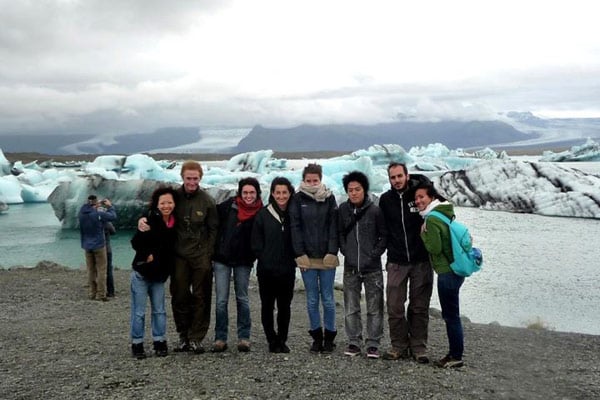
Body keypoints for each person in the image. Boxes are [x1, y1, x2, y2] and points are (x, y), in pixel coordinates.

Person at [138, 160, 219, 354]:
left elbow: (213, 229)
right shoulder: (174, 197)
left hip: (200, 256)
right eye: (188, 178)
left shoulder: (207, 201)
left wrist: (208, 254)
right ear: (182, 177)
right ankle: (183, 336)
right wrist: (141, 218)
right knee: (180, 295)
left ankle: (196, 338)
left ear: (201, 178)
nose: (192, 182)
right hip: (179, 256)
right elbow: (157, 209)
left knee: (201, 296)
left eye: (195, 178)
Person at [379, 162, 433, 363]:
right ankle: (399, 346)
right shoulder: (385, 200)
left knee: (419, 306)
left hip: (421, 260)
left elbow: (440, 212)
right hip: (396, 261)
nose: (397, 180)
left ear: (406, 175)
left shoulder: (419, 195)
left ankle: (419, 347)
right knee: (394, 305)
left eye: (399, 176)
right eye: (393, 177)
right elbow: (382, 229)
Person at [289, 163, 339, 353]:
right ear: (303, 180)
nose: (312, 183)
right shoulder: (297, 199)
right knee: (311, 299)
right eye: (308, 180)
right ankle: (317, 337)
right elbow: (295, 227)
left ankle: (330, 337)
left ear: (320, 179)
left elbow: (334, 226)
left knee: (327, 297)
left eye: (315, 180)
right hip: (307, 258)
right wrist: (299, 253)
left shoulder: (329, 197)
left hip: (327, 257)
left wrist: (332, 251)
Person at [414, 182, 465, 368]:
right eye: (416, 198)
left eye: (422, 197)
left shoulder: (432, 219)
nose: (418, 201)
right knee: (453, 314)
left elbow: (434, 248)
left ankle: (456, 356)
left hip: (447, 272)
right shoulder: (444, 212)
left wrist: (423, 234)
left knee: (451, 316)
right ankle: (454, 353)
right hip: (456, 269)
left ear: (432, 197)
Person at [338, 171, 387, 359]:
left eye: (357, 189)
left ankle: (373, 343)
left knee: (374, 307)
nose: (354, 193)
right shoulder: (343, 209)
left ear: (364, 190)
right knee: (351, 307)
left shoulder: (375, 210)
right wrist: (346, 251)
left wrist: (374, 255)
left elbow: (383, 236)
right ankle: (354, 342)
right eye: (350, 190)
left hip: (372, 268)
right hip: (351, 266)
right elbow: (340, 233)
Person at [212, 177, 263, 353]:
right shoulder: (227, 207)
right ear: (240, 192)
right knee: (221, 300)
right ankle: (220, 337)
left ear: (257, 194)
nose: (248, 196)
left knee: (242, 298)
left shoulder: (260, 212)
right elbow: (212, 223)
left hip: (243, 261)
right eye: (245, 192)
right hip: (222, 259)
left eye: (252, 192)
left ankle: (244, 337)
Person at [130, 187, 178, 359]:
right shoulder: (149, 220)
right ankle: (137, 344)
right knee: (139, 312)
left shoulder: (175, 222)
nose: (166, 206)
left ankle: (159, 341)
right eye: (163, 203)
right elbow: (135, 242)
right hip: (142, 273)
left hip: (159, 275)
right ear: (157, 204)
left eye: (169, 202)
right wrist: (146, 255)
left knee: (159, 310)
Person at [251, 177, 297, 353]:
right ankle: (271, 339)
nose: (281, 195)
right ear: (272, 193)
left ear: (290, 193)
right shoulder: (263, 214)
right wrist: (265, 258)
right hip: (267, 270)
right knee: (268, 305)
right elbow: (255, 243)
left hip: (287, 269)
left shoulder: (293, 214)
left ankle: (282, 339)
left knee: (285, 306)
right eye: (277, 192)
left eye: (284, 192)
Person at [79, 195, 117, 301]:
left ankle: (92, 293)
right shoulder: (98, 214)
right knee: (101, 270)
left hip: (86, 246)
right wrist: (110, 206)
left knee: (91, 270)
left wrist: (94, 205)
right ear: (95, 203)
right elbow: (113, 216)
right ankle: (101, 294)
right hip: (99, 245)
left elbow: (88, 209)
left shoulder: (81, 213)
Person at [104, 221, 116, 297]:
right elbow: (113, 232)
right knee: (108, 271)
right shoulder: (107, 223)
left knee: (97, 270)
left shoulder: (92, 221)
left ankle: (97, 290)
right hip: (107, 249)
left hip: (94, 248)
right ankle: (110, 291)